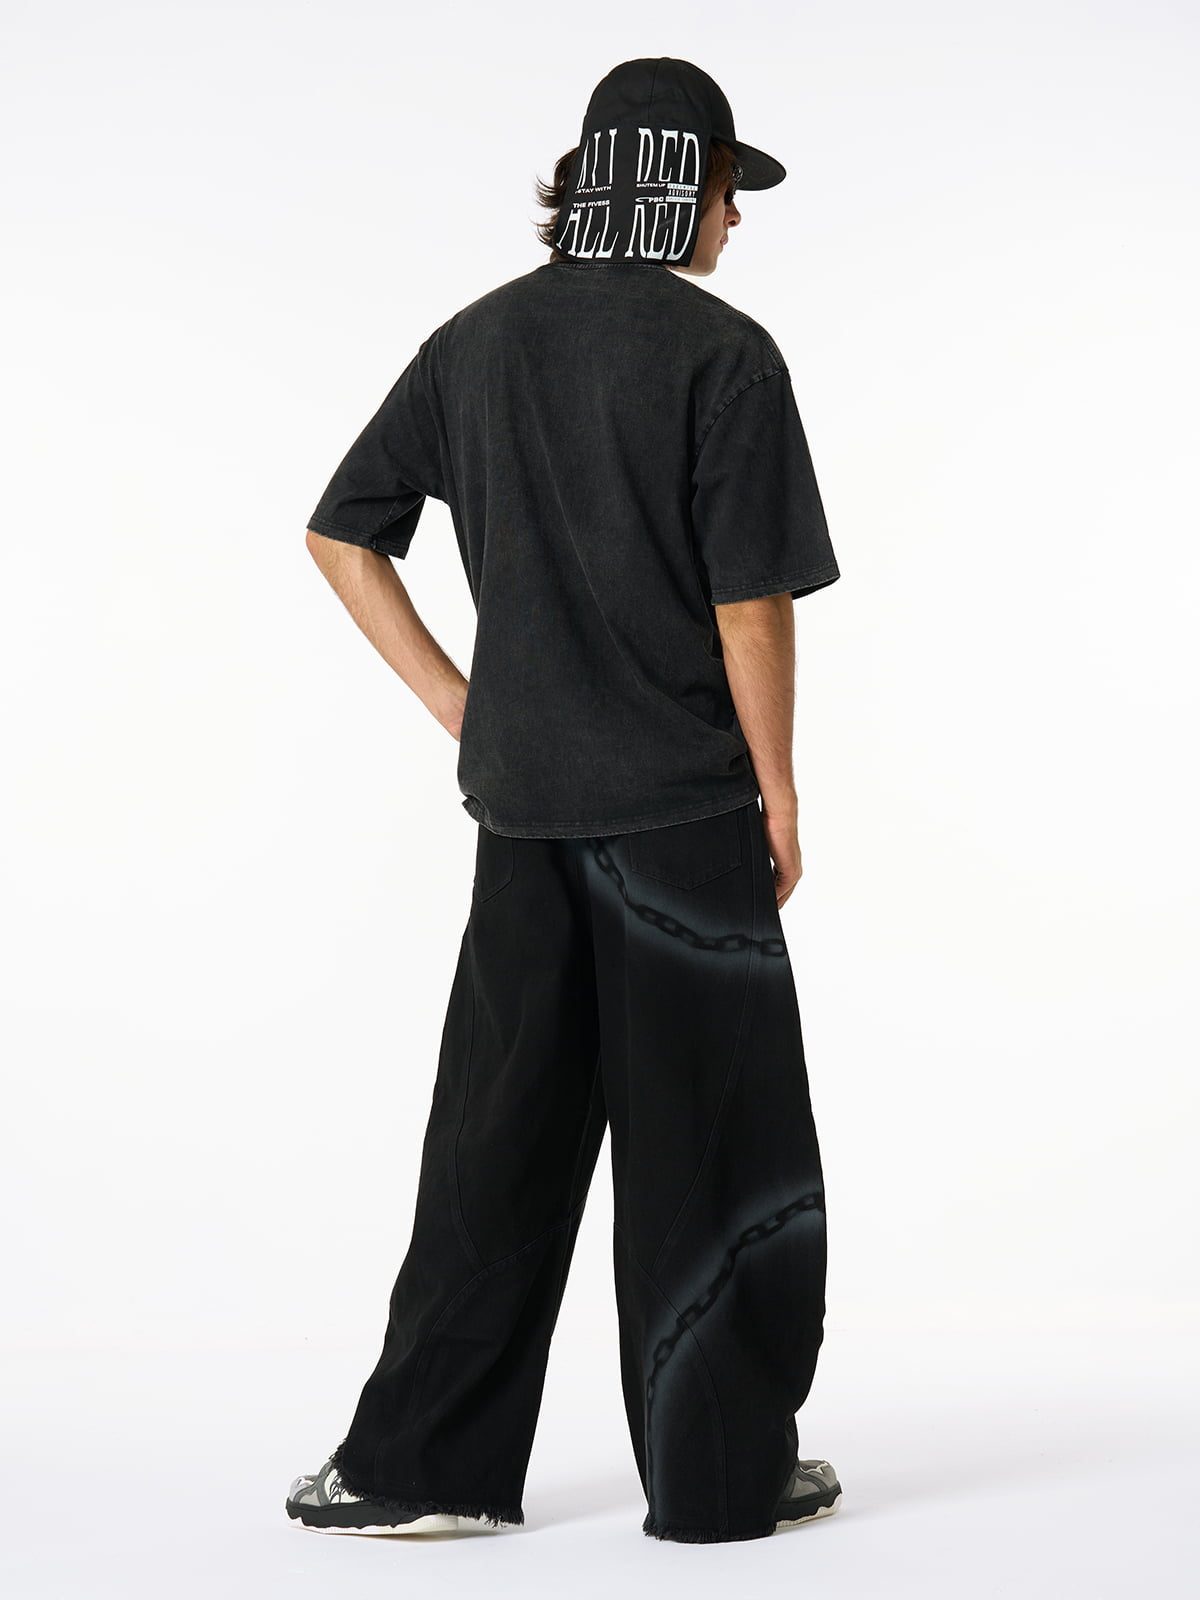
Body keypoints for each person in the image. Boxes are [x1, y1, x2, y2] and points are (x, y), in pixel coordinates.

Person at [285, 56, 843, 1545]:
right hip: (683, 818)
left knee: (498, 1139)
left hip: (524, 810)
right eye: (725, 189)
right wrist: (780, 789)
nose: (734, 220)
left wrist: (466, 705)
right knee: (712, 1149)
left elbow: (343, 535)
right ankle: (719, 1479)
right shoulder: (724, 359)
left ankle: (419, 1470)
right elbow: (751, 604)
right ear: (671, 185)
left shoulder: (475, 342)